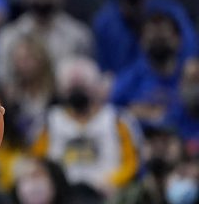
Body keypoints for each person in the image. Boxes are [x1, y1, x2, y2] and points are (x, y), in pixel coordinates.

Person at [32, 57, 140, 198]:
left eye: (83, 87)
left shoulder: (118, 119)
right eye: (72, 88)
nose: (77, 93)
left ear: (95, 87)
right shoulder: (49, 121)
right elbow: (37, 161)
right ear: (62, 90)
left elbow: (132, 163)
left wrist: (114, 181)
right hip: (62, 195)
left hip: (109, 193)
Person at [110, 12, 189, 128]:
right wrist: (130, 113)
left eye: (163, 39)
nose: (158, 44)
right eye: (153, 40)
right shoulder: (129, 78)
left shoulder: (190, 75)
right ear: (142, 42)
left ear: (178, 39)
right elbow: (111, 112)